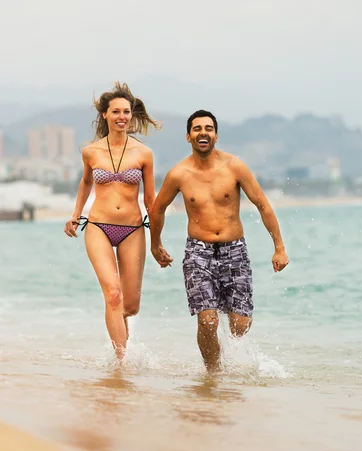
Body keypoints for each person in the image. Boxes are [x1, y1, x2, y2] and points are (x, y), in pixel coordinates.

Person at [150, 109, 289, 372]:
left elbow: (263, 205)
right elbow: (157, 209)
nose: (203, 133)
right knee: (208, 320)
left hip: (234, 249)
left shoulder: (234, 167)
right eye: (197, 129)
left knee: (240, 325)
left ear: (216, 135)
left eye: (208, 128)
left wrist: (279, 248)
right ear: (188, 136)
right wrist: (155, 245)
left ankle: (230, 357)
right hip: (197, 251)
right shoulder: (178, 174)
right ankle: (213, 372)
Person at [64, 82, 159, 360]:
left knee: (130, 305)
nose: (122, 116)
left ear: (132, 115)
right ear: (105, 115)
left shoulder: (144, 154)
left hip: (132, 229)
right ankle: (122, 365)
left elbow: (151, 201)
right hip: (98, 227)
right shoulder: (91, 151)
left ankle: (121, 336)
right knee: (113, 296)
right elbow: (85, 183)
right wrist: (75, 215)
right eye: (116, 111)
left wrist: (157, 242)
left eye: (126, 111)